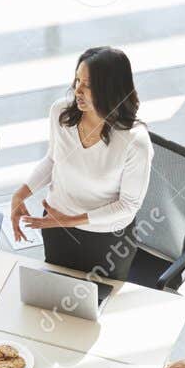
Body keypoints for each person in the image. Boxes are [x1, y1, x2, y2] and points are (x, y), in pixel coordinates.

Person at [9, 46, 153, 281]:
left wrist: (70, 221)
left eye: (88, 85)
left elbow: (128, 206)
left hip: (106, 240)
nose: (78, 90)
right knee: (53, 294)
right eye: (77, 80)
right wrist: (20, 194)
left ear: (111, 88)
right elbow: (53, 160)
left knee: (98, 308)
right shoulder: (61, 113)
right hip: (56, 227)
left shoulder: (135, 141)